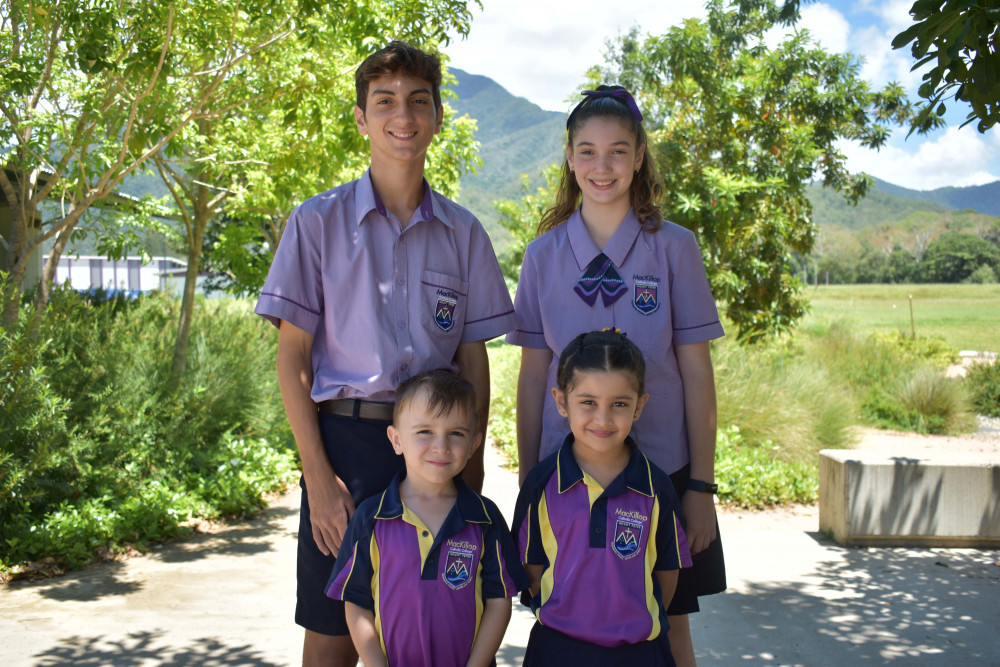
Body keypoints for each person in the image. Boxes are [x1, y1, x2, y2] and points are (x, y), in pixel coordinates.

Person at [254, 41, 515, 666]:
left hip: (436, 451)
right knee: (334, 638)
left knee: (432, 632)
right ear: (361, 117)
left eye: (418, 101)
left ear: (438, 116)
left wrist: (470, 470)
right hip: (348, 450)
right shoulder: (316, 223)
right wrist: (318, 478)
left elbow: (473, 360)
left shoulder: (465, 233)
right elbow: (292, 359)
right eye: (386, 101)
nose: (404, 116)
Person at [506, 85, 725, 666]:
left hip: (665, 472)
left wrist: (699, 488)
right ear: (570, 158)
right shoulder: (542, 256)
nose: (602, 167)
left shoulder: (675, 248)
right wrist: (531, 482)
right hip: (567, 479)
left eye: (618, 151)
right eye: (587, 151)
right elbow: (533, 379)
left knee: (670, 627)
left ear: (640, 156)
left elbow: (697, 374)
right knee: (567, 622)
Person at [512, 331, 692, 666]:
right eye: (588, 402)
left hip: (639, 654)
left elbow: (666, 576)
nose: (603, 419)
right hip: (556, 651)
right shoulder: (541, 485)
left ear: (639, 406)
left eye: (619, 404)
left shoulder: (656, 488)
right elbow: (532, 572)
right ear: (562, 401)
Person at [325, 370, 528, 667]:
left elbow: (499, 602)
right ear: (396, 440)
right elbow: (356, 602)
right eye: (424, 432)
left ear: (474, 444)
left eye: (456, 433)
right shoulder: (371, 517)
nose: (441, 446)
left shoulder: (484, 519)